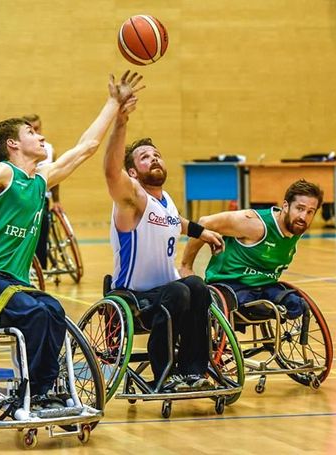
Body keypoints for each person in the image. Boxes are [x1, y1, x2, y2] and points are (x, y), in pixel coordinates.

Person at [0, 72, 140, 409]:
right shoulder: (4, 172)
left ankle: (45, 387)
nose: (40, 136)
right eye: (30, 132)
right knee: (37, 313)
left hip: (15, 283)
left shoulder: (40, 180)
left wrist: (113, 104)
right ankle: (39, 391)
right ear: (13, 144)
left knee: (53, 308)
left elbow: (86, 148)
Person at [103, 86, 224, 392]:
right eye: (145, 157)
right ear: (133, 171)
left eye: (157, 155)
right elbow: (110, 172)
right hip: (133, 296)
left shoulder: (165, 199)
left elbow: (174, 221)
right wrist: (121, 122)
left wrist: (202, 231)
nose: (154, 159)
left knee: (195, 285)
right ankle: (163, 373)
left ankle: (193, 371)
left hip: (166, 292)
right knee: (179, 293)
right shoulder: (131, 199)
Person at [180, 179, 323, 321]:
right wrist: (186, 266)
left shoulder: (297, 227)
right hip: (230, 284)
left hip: (265, 286)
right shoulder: (254, 224)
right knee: (256, 306)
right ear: (286, 206)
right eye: (300, 208)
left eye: (310, 212)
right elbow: (205, 223)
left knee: (297, 304)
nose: (304, 217)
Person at [22, 114, 60, 269]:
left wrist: (56, 201)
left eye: (37, 128)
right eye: (31, 130)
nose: (36, 132)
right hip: (21, 196)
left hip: (40, 197)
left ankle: (41, 268)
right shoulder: (18, 148)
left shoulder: (49, 150)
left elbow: (56, 177)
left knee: (43, 220)